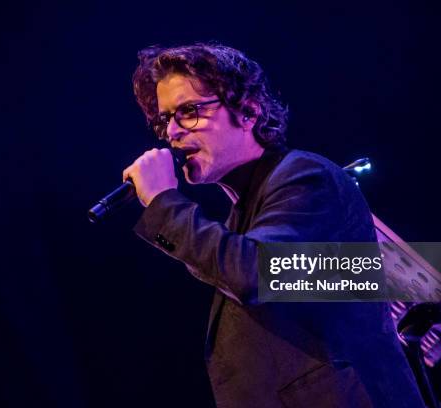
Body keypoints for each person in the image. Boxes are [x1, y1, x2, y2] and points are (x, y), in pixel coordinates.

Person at [123, 43, 424, 407]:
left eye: (188, 111)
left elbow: (259, 272)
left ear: (248, 111)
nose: (172, 131)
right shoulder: (242, 215)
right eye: (163, 120)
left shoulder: (305, 177)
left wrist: (163, 203)